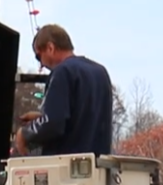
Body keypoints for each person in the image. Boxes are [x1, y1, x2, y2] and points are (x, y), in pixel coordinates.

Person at [14, 24, 114, 157]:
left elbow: (53, 123)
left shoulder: (62, 72)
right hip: (99, 167)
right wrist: (41, 117)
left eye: (39, 56)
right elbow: (82, 118)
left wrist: (25, 134)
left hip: (67, 168)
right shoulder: (100, 72)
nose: (41, 64)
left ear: (50, 48)